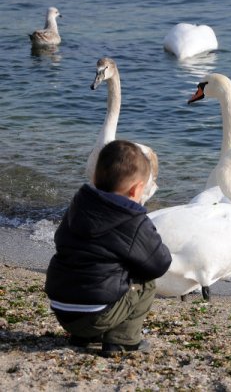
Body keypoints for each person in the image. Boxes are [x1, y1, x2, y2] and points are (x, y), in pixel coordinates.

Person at [45, 140, 172, 356]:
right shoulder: (133, 220)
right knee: (145, 282)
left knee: (92, 267)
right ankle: (122, 340)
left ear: (95, 178)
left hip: (63, 310)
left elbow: (61, 241)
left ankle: (85, 336)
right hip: (97, 315)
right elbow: (159, 263)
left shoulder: (78, 206)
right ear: (136, 189)